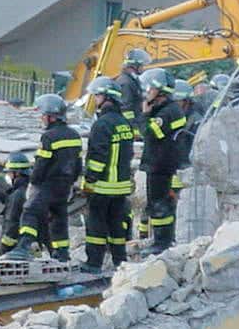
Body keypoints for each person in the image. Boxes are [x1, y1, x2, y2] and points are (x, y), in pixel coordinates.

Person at [1, 94, 82, 263]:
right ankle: (62, 253)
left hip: (46, 185)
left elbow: (41, 164)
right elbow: (78, 163)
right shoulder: (74, 135)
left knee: (30, 212)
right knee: (59, 219)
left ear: (50, 116)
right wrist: (71, 182)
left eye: (43, 115)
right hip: (64, 186)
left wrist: (33, 183)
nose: (42, 118)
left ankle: (23, 247)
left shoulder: (49, 137)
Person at [79, 77, 134, 274]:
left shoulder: (102, 124)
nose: (95, 99)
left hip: (103, 186)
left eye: (97, 95)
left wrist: (89, 181)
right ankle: (120, 261)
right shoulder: (124, 123)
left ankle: (94, 263)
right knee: (116, 224)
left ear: (105, 97)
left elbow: (97, 157)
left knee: (96, 224)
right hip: (121, 186)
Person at [139, 68, 186, 256]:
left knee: (159, 205)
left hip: (160, 165)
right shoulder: (169, 109)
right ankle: (162, 240)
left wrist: (144, 115)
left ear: (160, 91)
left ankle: (162, 243)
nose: (147, 92)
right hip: (161, 164)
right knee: (159, 203)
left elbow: (150, 134)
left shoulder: (167, 113)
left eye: (150, 89)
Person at [0, 151, 42, 255]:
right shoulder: (32, 190)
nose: (7, 176)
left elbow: (11, 225)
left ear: (16, 173)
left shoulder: (17, 195)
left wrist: (2, 251)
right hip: (32, 247)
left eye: (9, 172)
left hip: (16, 252)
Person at [115, 48, 151, 132]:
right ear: (135, 66)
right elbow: (126, 110)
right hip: (129, 127)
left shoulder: (132, 80)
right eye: (142, 65)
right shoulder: (126, 83)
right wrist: (135, 130)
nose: (143, 68)